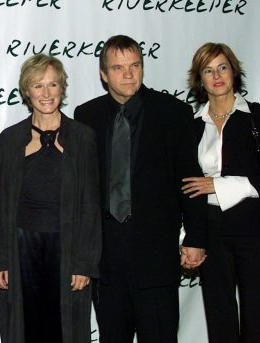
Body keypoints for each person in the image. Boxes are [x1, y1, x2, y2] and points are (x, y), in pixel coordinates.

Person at [73, 34, 207, 343]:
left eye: (135, 65)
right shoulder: (86, 116)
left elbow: (190, 181)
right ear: (104, 74)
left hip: (156, 257)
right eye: (118, 68)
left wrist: (196, 238)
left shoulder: (173, 113)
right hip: (105, 260)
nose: (129, 74)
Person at [182, 43, 260, 343]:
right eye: (208, 70)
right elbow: (187, 189)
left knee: (258, 321)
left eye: (222, 67)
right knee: (220, 322)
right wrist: (189, 237)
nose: (217, 75)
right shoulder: (191, 127)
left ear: (234, 71)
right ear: (199, 80)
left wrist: (220, 184)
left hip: (256, 232)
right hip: (212, 232)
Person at [0, 54, 101, 342]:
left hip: (67, 247)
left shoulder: (82, 137)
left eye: (53, 85)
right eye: (38, 86)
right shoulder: (10, 139)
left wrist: (84, 263)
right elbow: (1, 204)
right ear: (26, 91)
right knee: (25, 328)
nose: (47, 93)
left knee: (66, 329)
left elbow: (91, 204)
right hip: (21, 249)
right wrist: (0, 258)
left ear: (62, 88)